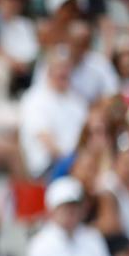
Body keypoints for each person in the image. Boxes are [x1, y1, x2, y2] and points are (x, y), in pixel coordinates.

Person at [25, 177, 112, 256]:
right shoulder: (40, 243)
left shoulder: (93, 236)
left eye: (74, 206)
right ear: (53, 210)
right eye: (65, 207)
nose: (70, 212)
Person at [19, 47, 88, 178]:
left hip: (78, 162)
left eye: (67, 67)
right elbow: (45, 139)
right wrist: (72, 161)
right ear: (49, 70)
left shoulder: (77, 101)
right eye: (59, 67)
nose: (63, 71)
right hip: (49, 166)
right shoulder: (35, 98)